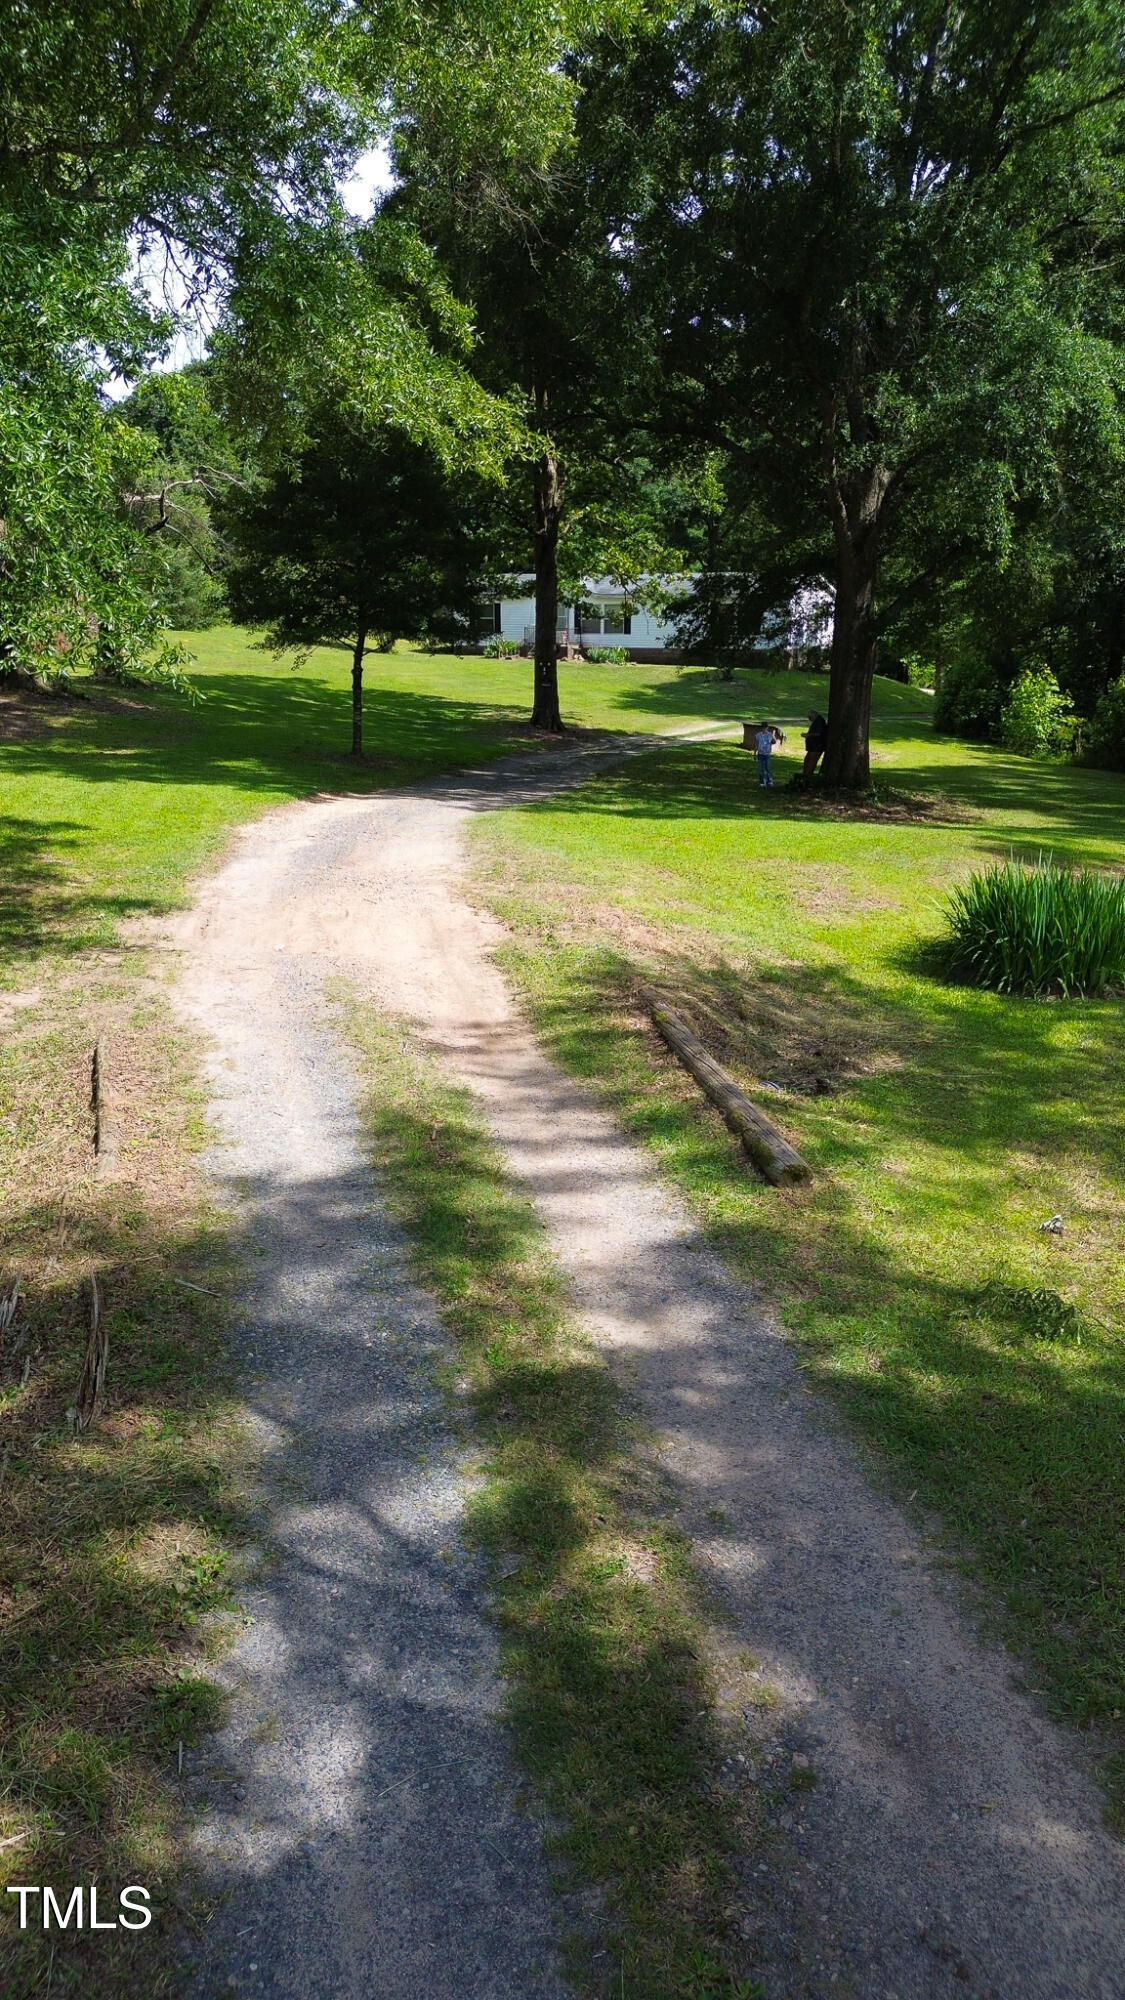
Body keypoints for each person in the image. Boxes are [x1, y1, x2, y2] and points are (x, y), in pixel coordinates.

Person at [803, 709, 828, 780]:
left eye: (810, 718)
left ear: (813, 715)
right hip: (812, 746)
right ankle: (805, 774)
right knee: (807, 760)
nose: (809, 719)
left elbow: (818, 733)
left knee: (811, 761)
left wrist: (808, 735)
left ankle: (808, 776)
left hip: (817, 746)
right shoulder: (817, 721)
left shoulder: (820, 722)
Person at [754, 720, 775, 787]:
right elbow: (756, 744)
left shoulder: (770, 734)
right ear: (761, 728)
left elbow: (774, 742)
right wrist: (755, 753)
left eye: (765, 727)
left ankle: (770, 781)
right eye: (763, 727)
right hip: (760, 754)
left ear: (767, 728)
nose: (764, 729)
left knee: (768, 768)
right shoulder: (758, 735)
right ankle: (762, 782)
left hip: (767, 754)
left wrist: (773, 740)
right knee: (761, 769)